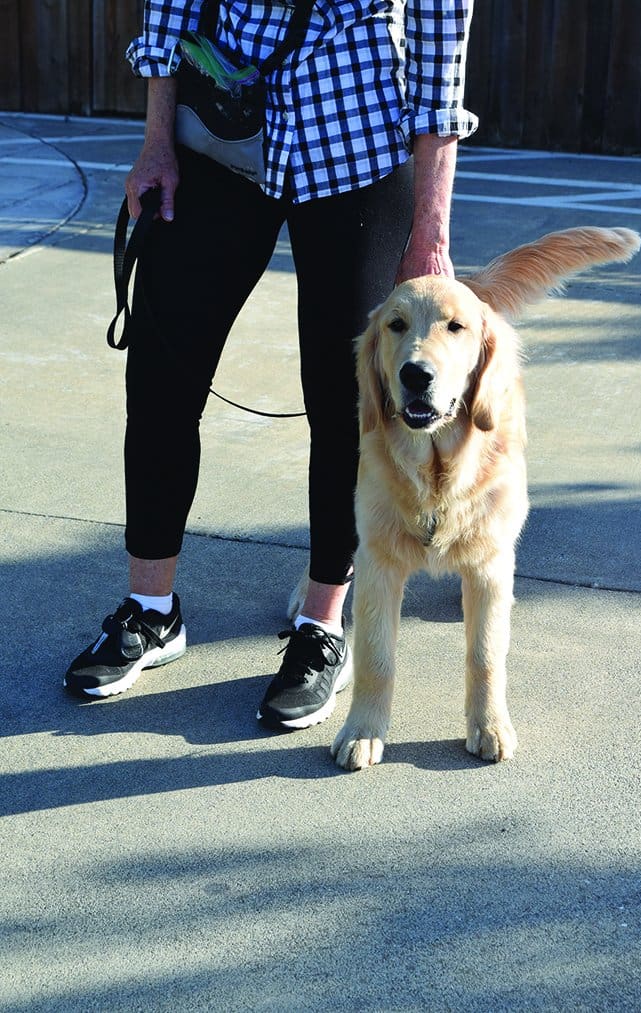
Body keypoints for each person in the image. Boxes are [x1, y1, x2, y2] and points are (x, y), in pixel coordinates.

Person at [64, 0, 477, 728]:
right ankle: (151, 608)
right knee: (161, 376)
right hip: (223, 128)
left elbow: (442, 36)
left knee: (345, 404)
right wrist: (156, 139)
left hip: (355, 140)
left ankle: (321, 624)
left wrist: (429, 228)